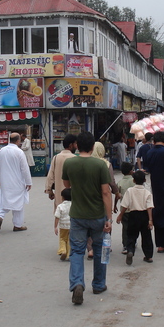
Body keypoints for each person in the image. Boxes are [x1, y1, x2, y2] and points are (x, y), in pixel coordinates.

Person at [62, 131, 113, 305]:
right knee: (99, 249)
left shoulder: (69, 163)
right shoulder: (100, 165)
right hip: (97, 214)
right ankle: (98, 284)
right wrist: (109, 218)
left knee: (76, 251)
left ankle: (77, 283)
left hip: (77, 214)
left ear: (76, 145)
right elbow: (106, 192)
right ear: (93, 147)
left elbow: (67, 185)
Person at [0, 133, 32, 232]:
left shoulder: (2, 151)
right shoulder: (19, 152)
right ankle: (17, 225)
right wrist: (28, 182)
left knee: (3, 200)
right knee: (18, 203)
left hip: (5, 181)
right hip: (17, 182)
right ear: (18, 141)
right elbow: (24, 169)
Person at [116, 170, 154, 265]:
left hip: (133, 215)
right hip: (144, 215)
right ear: (145, 180)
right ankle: (148, 256)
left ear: (133, 180)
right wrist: (150, 220)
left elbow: (125, 204)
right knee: (146, 237)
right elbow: (149, 207)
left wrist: (120, 215)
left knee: (131, 235)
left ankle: (130, 251)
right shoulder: (147, 192)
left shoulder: (130, 191)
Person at [115, 161, 135, 254]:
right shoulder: (135, 181)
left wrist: (114, 205)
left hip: (124, 210)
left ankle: (126, 245)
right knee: (135, 227)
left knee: (125, 228)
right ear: (131, 171)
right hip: (135, 209)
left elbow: (117, 195)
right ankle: (133, 242)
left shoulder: (120, 182)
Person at [54, 187, 72, 261]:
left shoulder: (60, 206)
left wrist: (55, 227)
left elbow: (57, 217)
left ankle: (63, 250)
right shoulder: (74, 205)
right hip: (72, 226)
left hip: (63, 226)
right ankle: (68, 254)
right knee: (69, 240)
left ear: (63, 198)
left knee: (62, 239)